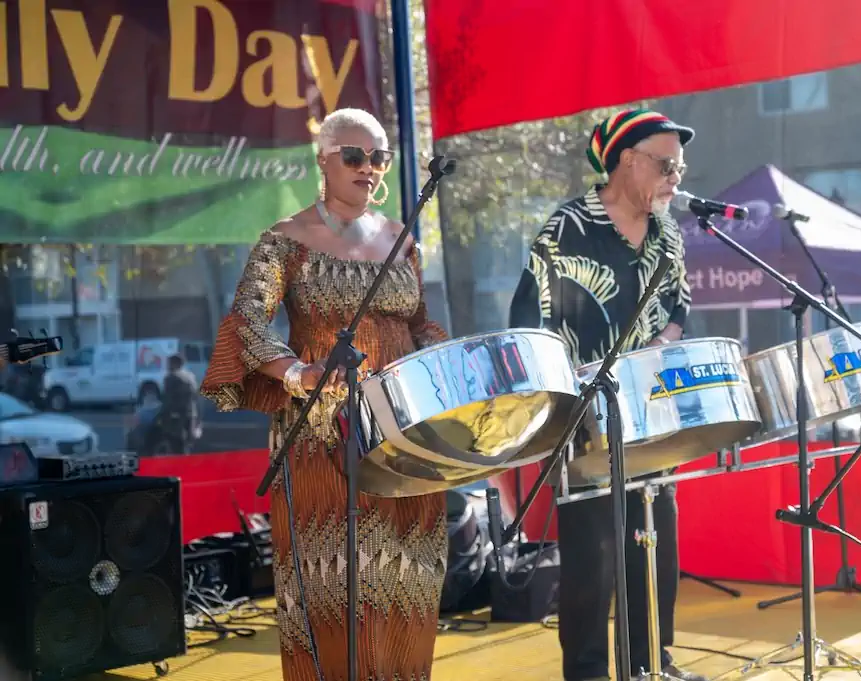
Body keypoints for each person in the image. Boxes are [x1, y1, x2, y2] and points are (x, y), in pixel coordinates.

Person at [200, 108, 449, 681]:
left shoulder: (401, 239)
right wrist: (296, 373)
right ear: (323, 160)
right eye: (354, 156)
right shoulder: (285, 239)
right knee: (334, 581)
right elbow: (245, 322)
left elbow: (420, 325)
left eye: (379, 157)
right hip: (320, 434)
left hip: (403, 431)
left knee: (409, 574)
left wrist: (447, 369)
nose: (369, 168)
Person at [508, 109, 706, 681]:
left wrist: (662, 344)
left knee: (654, 541)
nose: (676, 178)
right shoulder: (567, 228)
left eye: (681, 168)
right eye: (666, 166)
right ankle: (590, 671)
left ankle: (652, 663)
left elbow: (680, 304)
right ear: (628, 160)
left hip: (651, 410)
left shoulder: (668, 231)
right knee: (592, 558)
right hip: (584, 417)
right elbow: (529, 317)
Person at [157, 354, 200, 453]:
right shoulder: (190, 377)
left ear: (175, 363)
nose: (167, 366)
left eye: (169, 363)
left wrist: (160, 416)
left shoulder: (171, 377)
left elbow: (168, 400)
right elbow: (195, 397)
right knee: (187, 444)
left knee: (175, 444)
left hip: (175, 417)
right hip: (190, 414)